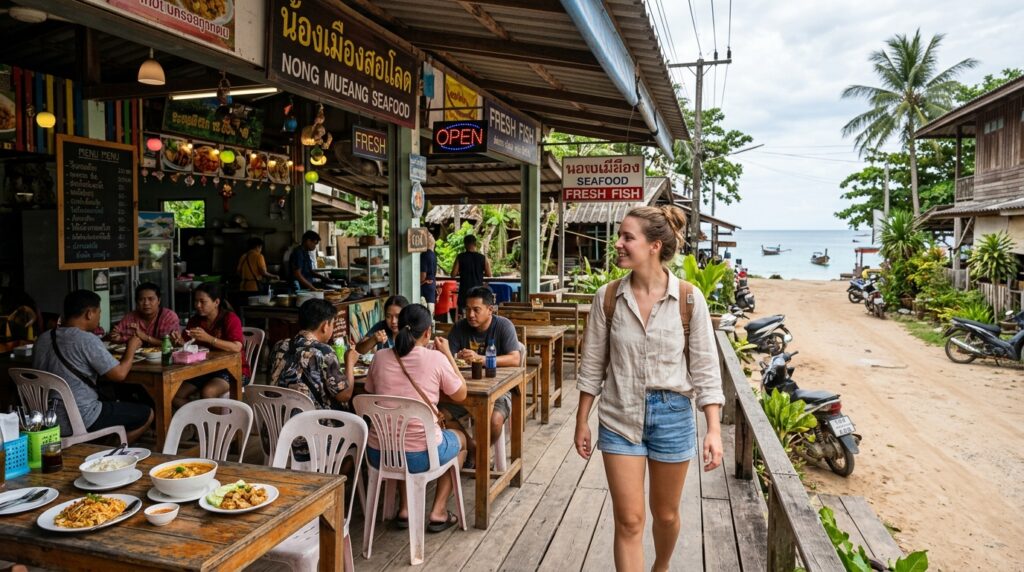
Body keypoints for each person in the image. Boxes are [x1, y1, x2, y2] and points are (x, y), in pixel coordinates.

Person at [574, 206, 724, 572]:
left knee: (667, 515)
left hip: (673, 416)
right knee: (629, 521)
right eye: (620, 236)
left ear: (654, 245)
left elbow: (705, 369)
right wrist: (582, 420)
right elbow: (592, 365)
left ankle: (661, 566)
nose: (618, 243)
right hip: (619, 416)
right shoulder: (607, 298)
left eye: (628, 237)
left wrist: (714, 430)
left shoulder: (689, 299)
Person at [363, 303, 467, 533]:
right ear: (428, 331)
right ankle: (438, 511)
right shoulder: (436, 359)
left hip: (378, 453)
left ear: (398, 328)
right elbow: (461, 394)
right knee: (461, 441)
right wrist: (448, 354)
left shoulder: (379, 357)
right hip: (419, 456)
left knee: (397, 435)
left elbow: (370, 392)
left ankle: (405, 509)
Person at [32, 290, 154, 444]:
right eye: (99, 312)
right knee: (147, 414)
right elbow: (120, 374)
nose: (99, 317)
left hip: (45, 418)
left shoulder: (42, 339)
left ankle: (98, 447)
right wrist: (131, 347)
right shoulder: (87, 340)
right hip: (83, 417)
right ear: (89, 313)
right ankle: (109, 454)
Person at [443, 286, 520, 465]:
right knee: (440, 413)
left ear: (489, 310)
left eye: (476, 310)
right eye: (467, 309)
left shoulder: (503, 325)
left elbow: (515, 359)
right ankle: (474, 449)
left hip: (498, 390)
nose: (470, 314)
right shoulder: (459, 328)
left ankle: (478, 453)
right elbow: (448, 357)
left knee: (494, 420)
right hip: (464, 390)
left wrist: (481, 358)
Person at [171, 282, 249, 407]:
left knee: (208, 392)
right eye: (196, 301)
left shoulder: (230, 319)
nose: (197, 305)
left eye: (203, 301)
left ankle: (214, 426)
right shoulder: (195, 320)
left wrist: (209, 338)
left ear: (216, 302)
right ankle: (199, 419)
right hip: (204, 370)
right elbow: (188, 345)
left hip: (233, 370)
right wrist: (180, 342)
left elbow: (236, 347)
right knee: (174, 395)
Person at [270, 299, 353, 409]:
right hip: (313, 422)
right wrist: (350, 362)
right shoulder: (324, 351)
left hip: (278, 419)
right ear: (325, 326)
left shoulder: (279, 345)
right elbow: (344, 395)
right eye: (332, 324)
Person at [108, 283, 179, 346]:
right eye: (141, 299)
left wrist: (144, 337)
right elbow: (118, 336)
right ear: (136, 302)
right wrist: (116, 338)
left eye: (151, 299)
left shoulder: (169, 316)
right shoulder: (130, 317)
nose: (146, 303)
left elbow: (172, 344)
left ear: (159, 300)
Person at [451, 234, 490, 317]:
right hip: (478, 291)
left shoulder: (460, 257)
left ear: (465, 244)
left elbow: (453, 274)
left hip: (464, 291)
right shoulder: (482, 258)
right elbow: (489, 274)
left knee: (464, 313)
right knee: (477, 311)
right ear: (475, 244)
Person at [420, 233, 438, 317]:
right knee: (430, 313)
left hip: (425, 287)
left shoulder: (424, 254)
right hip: (432, 285)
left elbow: (423, 275)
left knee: (423, 313)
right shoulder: (434, 255)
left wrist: (420, 282)